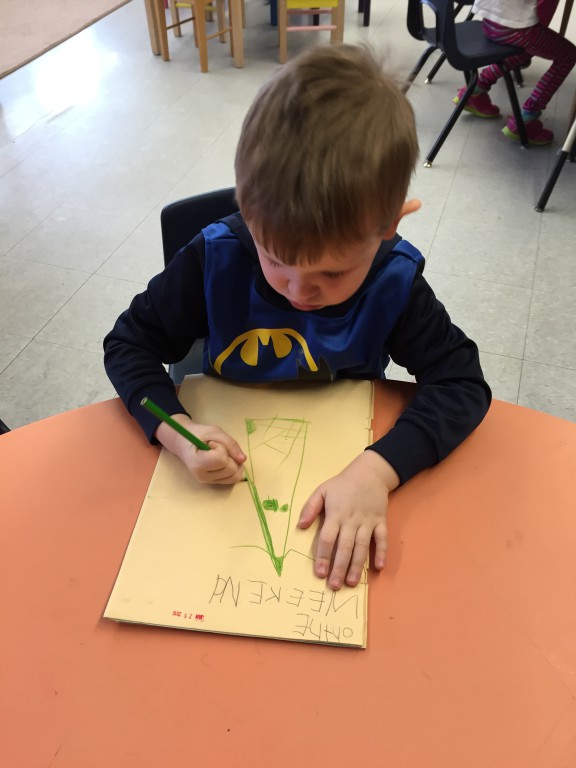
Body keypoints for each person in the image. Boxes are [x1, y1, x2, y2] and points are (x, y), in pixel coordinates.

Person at [104, 44, 491, 592]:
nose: (299, 290)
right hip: (227, 472)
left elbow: (461, 383)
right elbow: (128, 344)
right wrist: (177, 430)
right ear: (246, 211)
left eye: (332, 273)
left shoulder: (393, 282)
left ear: (389, 226)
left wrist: (379, 470)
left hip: (344, 459)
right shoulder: (215, 257)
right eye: (274, 260)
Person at [453, 0, 576, 145]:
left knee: (532, 46)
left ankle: (476, 89)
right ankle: (528, 117)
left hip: (490, 23)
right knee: (569, 56)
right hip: (515, 29)